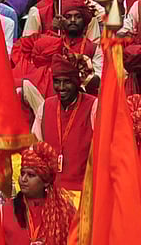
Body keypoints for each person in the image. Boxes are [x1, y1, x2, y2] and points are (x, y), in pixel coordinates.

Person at [32, 54, 98, 192]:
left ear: (76, 82)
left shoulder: (93, 106)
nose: (61, 87)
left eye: (67, 82)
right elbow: (35, 150)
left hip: (84, 193)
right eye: (57, 81)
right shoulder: (45, 107)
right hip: (52, 193)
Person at [1, 142, 76, 245]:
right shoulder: (6, 210)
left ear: (45, 181)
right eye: (22, 173)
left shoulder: (64, 212)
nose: (23, 179)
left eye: (31, 175)